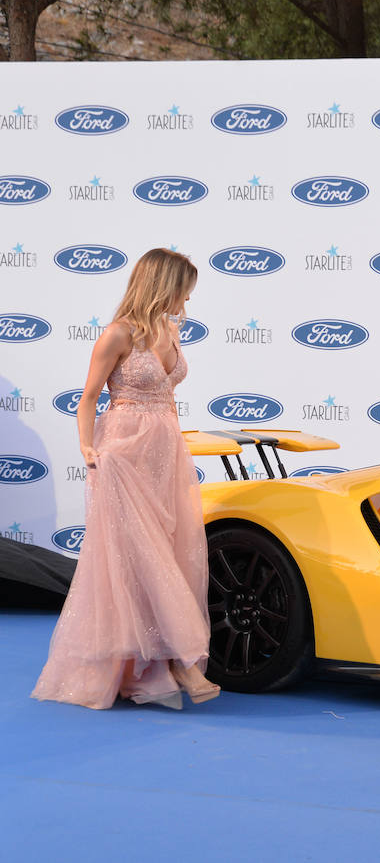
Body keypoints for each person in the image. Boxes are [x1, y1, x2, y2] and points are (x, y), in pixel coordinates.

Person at [32, 248, 219, 710]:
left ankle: (151, 659)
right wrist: (87, 448)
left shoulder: (172, 331)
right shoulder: (117, 334)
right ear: (162, 286)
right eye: (183, 292)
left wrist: (175, 441)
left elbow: (167, 396)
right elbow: (89, 397)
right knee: (137, 556)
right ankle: (178, 661)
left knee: (168, 550)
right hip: (122, 453)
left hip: (164, 451)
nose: (187, 302)